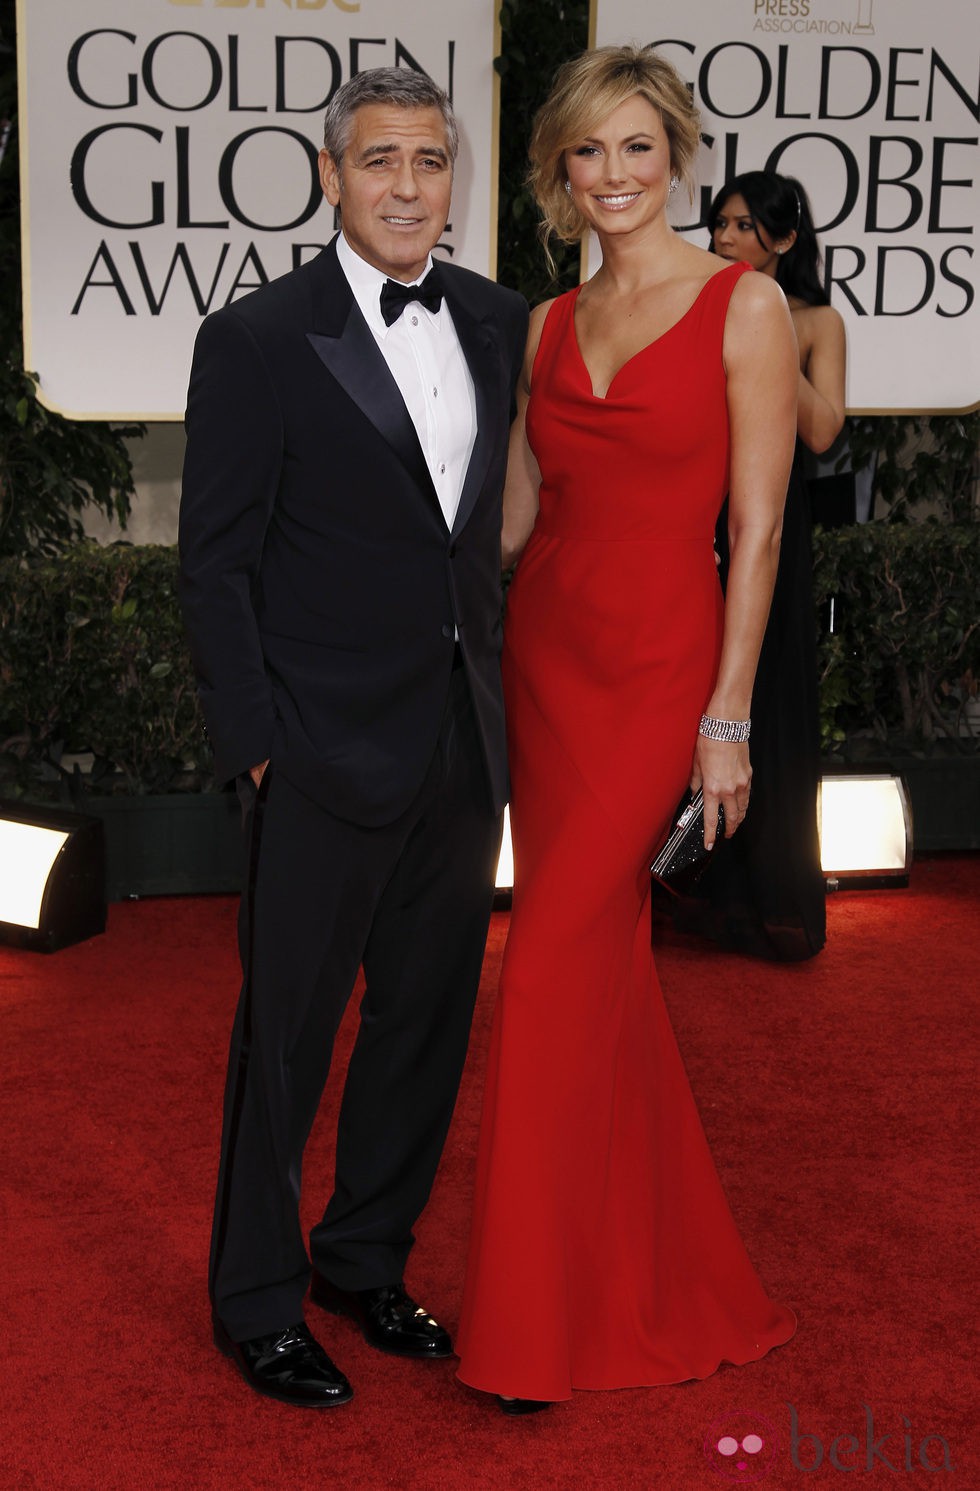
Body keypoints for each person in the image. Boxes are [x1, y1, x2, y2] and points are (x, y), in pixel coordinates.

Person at [454, 46, 798, 1412]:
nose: (612, 175)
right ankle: (648, 1263)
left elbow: (759, 525)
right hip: (549, 659)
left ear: (679, 156)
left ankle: (531, 1327)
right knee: (594, 974)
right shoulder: (543, 324)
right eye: (586, 153)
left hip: (662, 670)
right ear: (556, 171)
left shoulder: (743, 303)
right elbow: (522, 516)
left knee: (544, 964)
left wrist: (728, 717)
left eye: (636, 149)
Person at [178, 67, 527, 1409]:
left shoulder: (495, 320)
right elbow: (215, 565)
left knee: (425, 1024)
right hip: (319, 750)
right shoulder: (260, 338)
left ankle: (361, 1254)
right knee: (285, 1041)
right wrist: (261, 746)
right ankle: (256, 1297)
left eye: (430, 161)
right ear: (331, 176)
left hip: (460, 741)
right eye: (378, 160)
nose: (405, 185)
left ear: (455, 180)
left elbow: (493, 529)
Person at [676, 171, 846, 961]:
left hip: (773, 520)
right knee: (685, 691)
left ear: (784, 238)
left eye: (745, 228)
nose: (725, 241)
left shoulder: (816, 320)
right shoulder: (695, 303)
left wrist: (769, 326)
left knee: (762, 699)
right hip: (698, 508)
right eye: (719, 226)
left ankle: (763, 899)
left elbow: (821, 435)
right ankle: (687, 885)